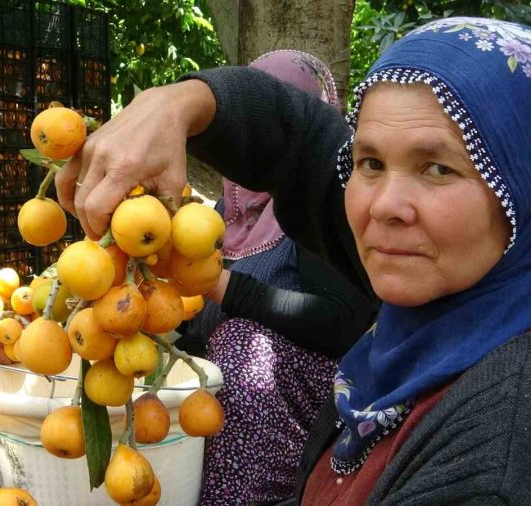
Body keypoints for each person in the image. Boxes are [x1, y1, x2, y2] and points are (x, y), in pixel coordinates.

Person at [57, 17, 531, 503]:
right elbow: (303, 142)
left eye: (438, 169)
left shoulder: (512, 444)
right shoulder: (451, 297)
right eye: (370, 162)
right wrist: (179, 103)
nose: (383, 206)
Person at [173, 50, 376, 505]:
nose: (263, 141)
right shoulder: (225, 212)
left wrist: (221, 286)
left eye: (278, 126)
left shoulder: (322, 206)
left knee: (244, 347)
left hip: (295, 415)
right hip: (213, 415)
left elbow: (346, 320)